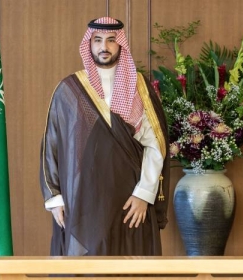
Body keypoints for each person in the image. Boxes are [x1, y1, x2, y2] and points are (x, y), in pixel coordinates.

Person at [40, 17, 170, 256]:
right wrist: (55, 198)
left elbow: (156, 145)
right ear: (88, 44)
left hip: (130, 199)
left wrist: (144, 194)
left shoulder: (139, 87)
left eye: (111, 40)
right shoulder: (69, 89)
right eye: (97, 40)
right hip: (84, 200)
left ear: (121, 44)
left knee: (131, 266)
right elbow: (52, 146)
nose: (104, 47)